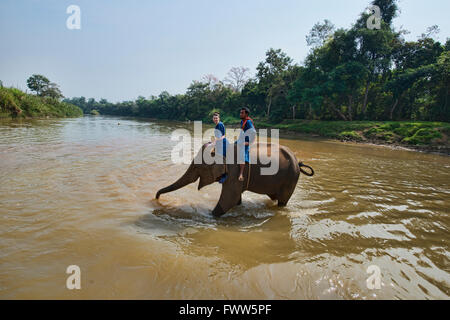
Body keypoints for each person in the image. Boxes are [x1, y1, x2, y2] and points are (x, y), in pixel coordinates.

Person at [236, 107, 255, 182]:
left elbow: (253, 133)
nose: (240, 114)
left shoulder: (248, 122)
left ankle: (241, 173)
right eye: (240, 112)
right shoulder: (242, 121)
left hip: (246, 142)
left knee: (242, 155)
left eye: (242, 113)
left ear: (246, 114)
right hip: (241, 140)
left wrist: (248, 142)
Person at [212, 112, 228, 184]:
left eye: (216, 118)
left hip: (223, 143)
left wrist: (216, 141)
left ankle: (225, 175)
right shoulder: (216, 126)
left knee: (222, 159)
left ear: (219, 118)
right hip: (219, 143)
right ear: (213, 119)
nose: (215, 119)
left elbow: (223, 136)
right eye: (214, 118)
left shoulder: (220, 124)